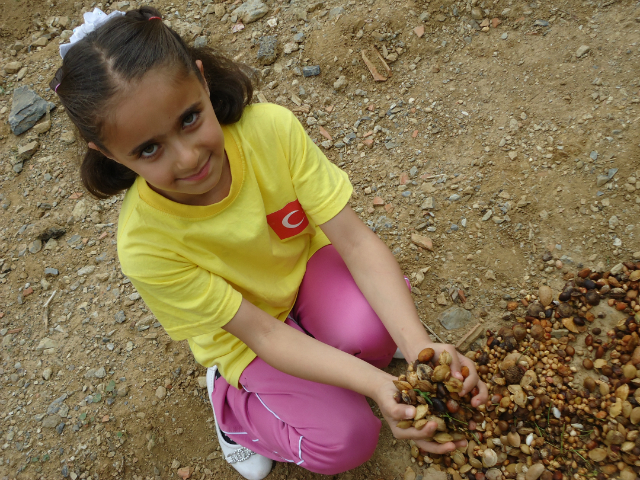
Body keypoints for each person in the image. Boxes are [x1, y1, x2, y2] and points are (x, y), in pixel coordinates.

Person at [51, 6, 488, 479]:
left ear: (201, 80)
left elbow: (357, 245)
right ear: (108, 153)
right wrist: (382, 389)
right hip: (248, 336)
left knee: (377, 338)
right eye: (148, 149)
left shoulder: (270, 131)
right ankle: (235, 412)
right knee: (347, 439)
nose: (189, 156)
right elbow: (262, 333)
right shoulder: (145, 245)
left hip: (306, 272)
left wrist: (423, 351)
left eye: (191, 118)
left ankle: (333, 349)